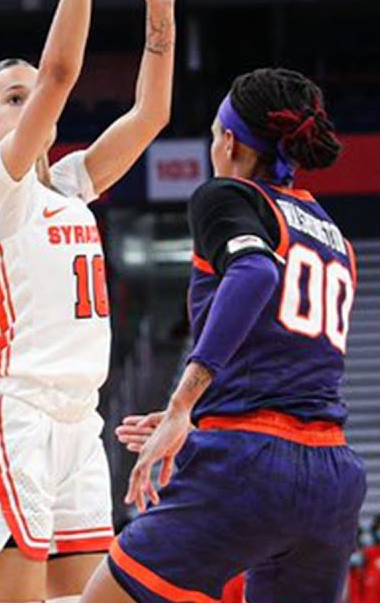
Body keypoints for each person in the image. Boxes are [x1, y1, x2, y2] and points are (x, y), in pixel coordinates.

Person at [0, 0, 185, 602]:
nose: (33, 103)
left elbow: (152, 113)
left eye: (30, 96)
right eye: (12, 100)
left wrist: (160, 11)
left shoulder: (72, 184)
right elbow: (59, 76)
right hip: (15, 415)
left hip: (80, 423)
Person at [81, 66, 360, 603]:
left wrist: (183, 404)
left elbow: (254, 273)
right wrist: (204, 414)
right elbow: (289, 356)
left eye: (213, 135)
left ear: (229, 141)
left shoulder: (227, 195)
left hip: (250, 464)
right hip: (332, 476)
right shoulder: (333, 236)